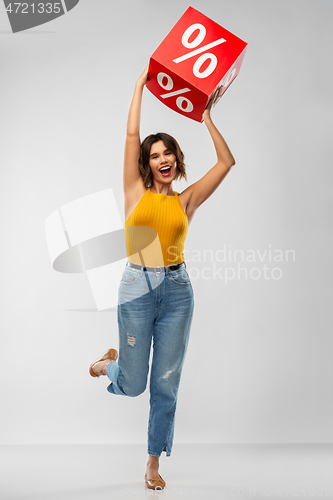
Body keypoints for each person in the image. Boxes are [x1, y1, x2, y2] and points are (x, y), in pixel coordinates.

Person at [89, 66, 235, 490]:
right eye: (155, 155)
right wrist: (138, 87)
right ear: (147, 164)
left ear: (176, 159)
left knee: (166, 383)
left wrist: (206, 117)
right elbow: (131, 137)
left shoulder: (187, 200)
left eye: (167, 152)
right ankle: (110, 364)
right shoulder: (135, 192)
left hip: (177, 292)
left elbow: (227, 162)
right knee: (134, 386)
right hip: (137, 287)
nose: (162, 159)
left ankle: (153, 462)